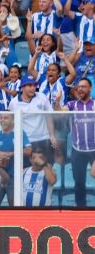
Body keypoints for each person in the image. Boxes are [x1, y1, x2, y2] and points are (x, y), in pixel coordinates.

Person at [56, 77, 95, 206]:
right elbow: (59, 112)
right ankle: (81, 210)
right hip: (77, 151)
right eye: (78, 87)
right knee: (79, 183)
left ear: (90, 88)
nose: (80, 89)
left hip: (94, 150)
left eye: (83, 87)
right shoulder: (72, 105)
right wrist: (57, 101)